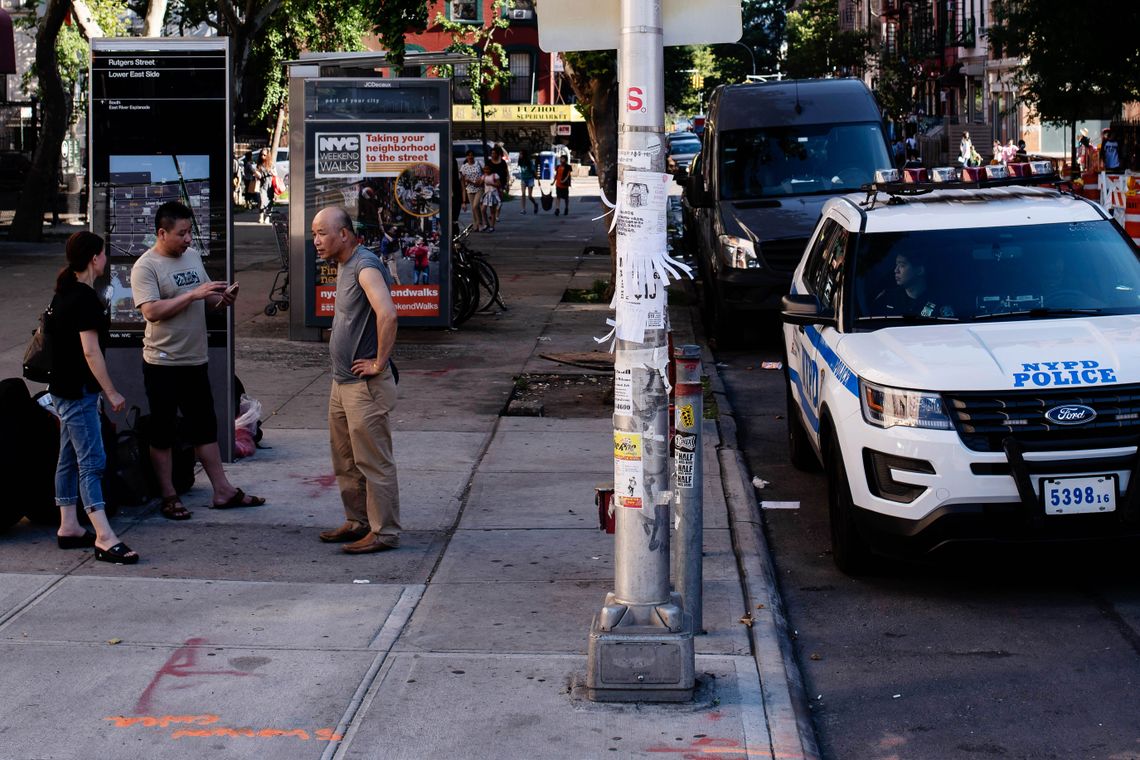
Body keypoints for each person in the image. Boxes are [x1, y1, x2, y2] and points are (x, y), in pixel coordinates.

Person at [131, 201, 265, 520]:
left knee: (205, 427)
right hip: (162, 363)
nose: (189, 239)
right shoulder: (145, 267)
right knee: (162, 432)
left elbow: (208, 298)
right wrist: (192, 295)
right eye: (182, 233)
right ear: (161, 233)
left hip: (195, 359)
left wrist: (223, 300)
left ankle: (223, 490)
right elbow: (151, 311)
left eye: (190, 232)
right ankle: (169, 495)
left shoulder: (191, 257)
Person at [311, 206, 402, 554]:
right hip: (342, 382)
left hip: (364, 386)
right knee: (346, 459)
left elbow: (388, 314)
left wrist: (379, 362)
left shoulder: (364, 267)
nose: (316, 241)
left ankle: (384, 532)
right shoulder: (345, 265)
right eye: (315, 234)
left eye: (322, 233)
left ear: (344, 234)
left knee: (374, 462)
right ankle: (358, 521)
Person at [48, 231, 137, 564]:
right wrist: (111, 392)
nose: (105, 259)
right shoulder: (84, 298)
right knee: (92, 461)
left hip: (62, 390)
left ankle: (69, 526)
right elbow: (90, 351)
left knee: (69, 457)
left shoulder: (63, 292)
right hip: (78, 392)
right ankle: (104, 536)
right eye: (102, 254)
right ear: (93, 258)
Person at [874, 250, 954, 318]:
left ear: (919, 270)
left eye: (902, 265)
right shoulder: (887, 297)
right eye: (896, 265)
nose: (896, 270)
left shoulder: (940, 301)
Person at [458, 149, 484, 229]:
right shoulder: (464, 167)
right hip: (469, 189)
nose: (470, 156)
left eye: (472, 155)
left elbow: (485, 173)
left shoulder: (478, 163)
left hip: (479, 187)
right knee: (474, 208)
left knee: (475, 206)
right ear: (466, 156)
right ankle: (476, 225)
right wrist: (464, 201)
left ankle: (480, 223)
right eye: (469, 155)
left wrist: (481, 180)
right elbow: (462, 181)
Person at [256, 148, 277, 224]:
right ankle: (261, 217)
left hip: (270, 185)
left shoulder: (271, 164)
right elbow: (259, 176)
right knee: (262, 201)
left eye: (264, 155)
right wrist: (257, 174)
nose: (263, 156)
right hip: (263, 185)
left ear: (268, 156)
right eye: (262, 154)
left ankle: (267, 217)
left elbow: (276, 174)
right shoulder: (259, 164)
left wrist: (272, 172)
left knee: (269, 202)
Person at [480, 162, 501, 232]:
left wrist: (491, 183)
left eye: (487, 169)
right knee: (483, 210)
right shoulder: (484, 176)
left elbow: (499, 184)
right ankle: (486, 224)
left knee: (492, 211)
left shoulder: (495, 175)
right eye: (485, 169)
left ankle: (492, 226)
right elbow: (479, 183)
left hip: (493, 194)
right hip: (486, 194)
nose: (486, 171)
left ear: (491, 169)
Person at [517, 149, 538, 214]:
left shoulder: (529, 162)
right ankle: (523, 209)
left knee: (529, 196)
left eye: (521, 154)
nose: (519, 155)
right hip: (523, 179)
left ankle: (535, 204)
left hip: (530, 179)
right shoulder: (520, 161)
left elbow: (533, 170)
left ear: (524, 155)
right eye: (519, 154)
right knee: (523, 194)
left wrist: (537, 177)